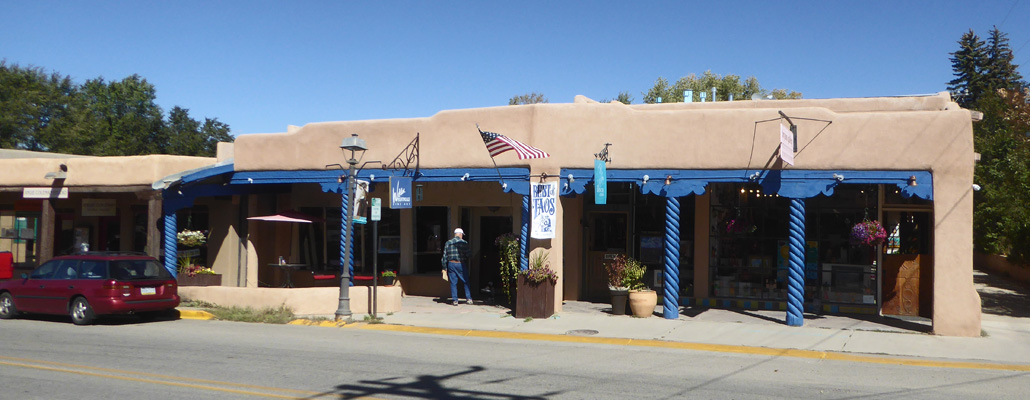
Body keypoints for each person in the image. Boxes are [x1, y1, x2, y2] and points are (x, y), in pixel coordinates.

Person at [441, 228, 472, 305]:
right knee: (465, 281)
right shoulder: (464, 243)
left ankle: (455, 300)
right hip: (460, 263)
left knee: (453, 283)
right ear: (460, 234)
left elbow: (444, 256)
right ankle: (469, 299)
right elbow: (469, 254)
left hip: (451, 264)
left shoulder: (448, 243)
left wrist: (444, 267)